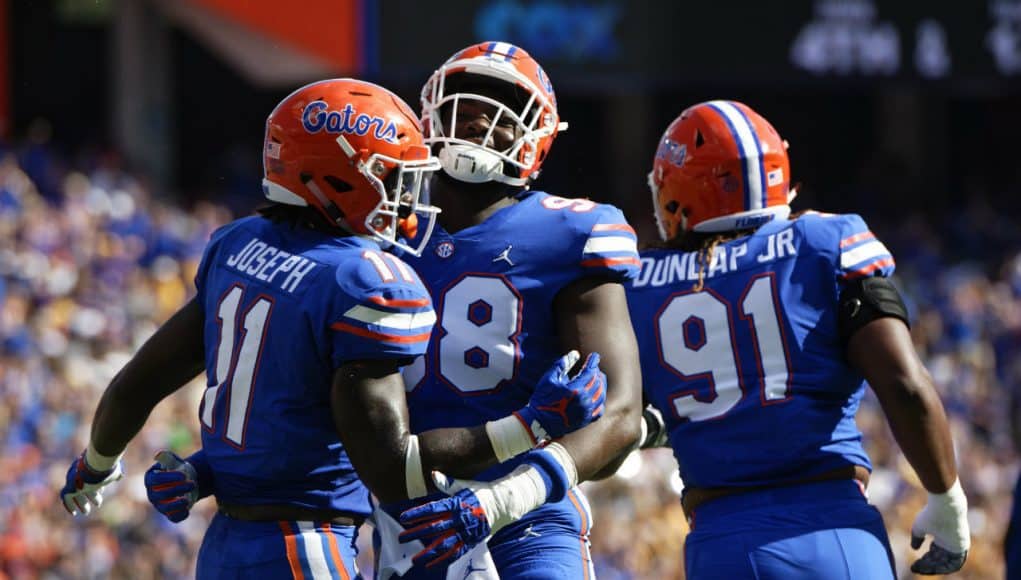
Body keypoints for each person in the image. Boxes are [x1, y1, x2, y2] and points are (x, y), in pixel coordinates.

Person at [59, 78, 607, 579]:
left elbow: (147, 380)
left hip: (223, 545)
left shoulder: (238, 244)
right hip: (307, 546)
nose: (408, 196)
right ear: (336, 180)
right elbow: (395, 473)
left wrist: (104, 465)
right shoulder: (364, 278)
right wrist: (531, 426)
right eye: (393, 176)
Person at [625, 99, 970, 578]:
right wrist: (946, 498)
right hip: (835, 530)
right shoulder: (825, 242)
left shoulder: (639, 283)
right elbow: (905, 384)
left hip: (722, 540)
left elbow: (620, 417)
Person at [373, 41, 644, 579]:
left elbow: (621, 414)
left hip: (529, 512)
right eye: (466, 100)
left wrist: (512, 494)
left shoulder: (573, 231)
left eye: (502, 105)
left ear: (538, 134)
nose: (480, 117)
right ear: (431, 112)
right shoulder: (378, 232)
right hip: (408, 514)